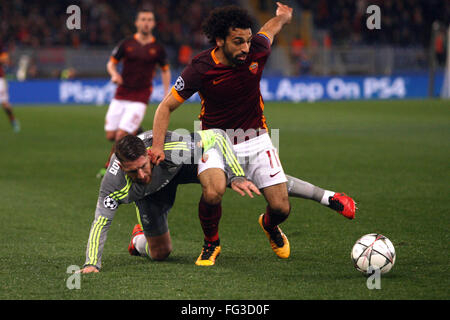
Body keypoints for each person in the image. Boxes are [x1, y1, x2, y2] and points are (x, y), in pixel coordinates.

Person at [150, 3, 356, 262]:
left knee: (281, 207)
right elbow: (165, 106)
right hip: (215, 139)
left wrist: (283, 17)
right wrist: (157, 146)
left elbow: (269, 29)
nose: (246, 48)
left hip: (256, 138)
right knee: (213, 191)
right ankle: (211, 243)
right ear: (220, 40)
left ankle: (269, 225)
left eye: (247, 41)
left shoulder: (257, 50)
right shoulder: (200, 67)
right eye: (238, 42)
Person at [81, 128, 260, 273]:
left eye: (143, 166)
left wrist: (236, 175)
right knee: (160, 253)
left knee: (258, 183)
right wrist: (92, 263)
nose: (141, 175)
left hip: (181, 167)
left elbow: (218, 136)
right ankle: (138, 239)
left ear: (149, 153)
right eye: (133, 171)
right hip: (152, 194)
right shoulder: (113, 185)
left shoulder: (173, 147)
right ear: (122, 167)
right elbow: (101, 221)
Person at [97, 9, 171, 178]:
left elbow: (165, 71)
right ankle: (140, 134)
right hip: (122, 93)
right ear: (137, 23)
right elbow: (111, 63)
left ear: (153, 24)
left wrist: (167, 93)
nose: (146, 22)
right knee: (111, 134)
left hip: (141, 95)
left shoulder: (157, 48)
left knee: (121, 135)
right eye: (143, 19)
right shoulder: (127, 44)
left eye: (149, 20)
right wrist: (114, 74)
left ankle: (109, 166)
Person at [0, 41, 20, 132]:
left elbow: (5, 60)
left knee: (5, 105)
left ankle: (13, 121)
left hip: (0, 81)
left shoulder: (3, 55)